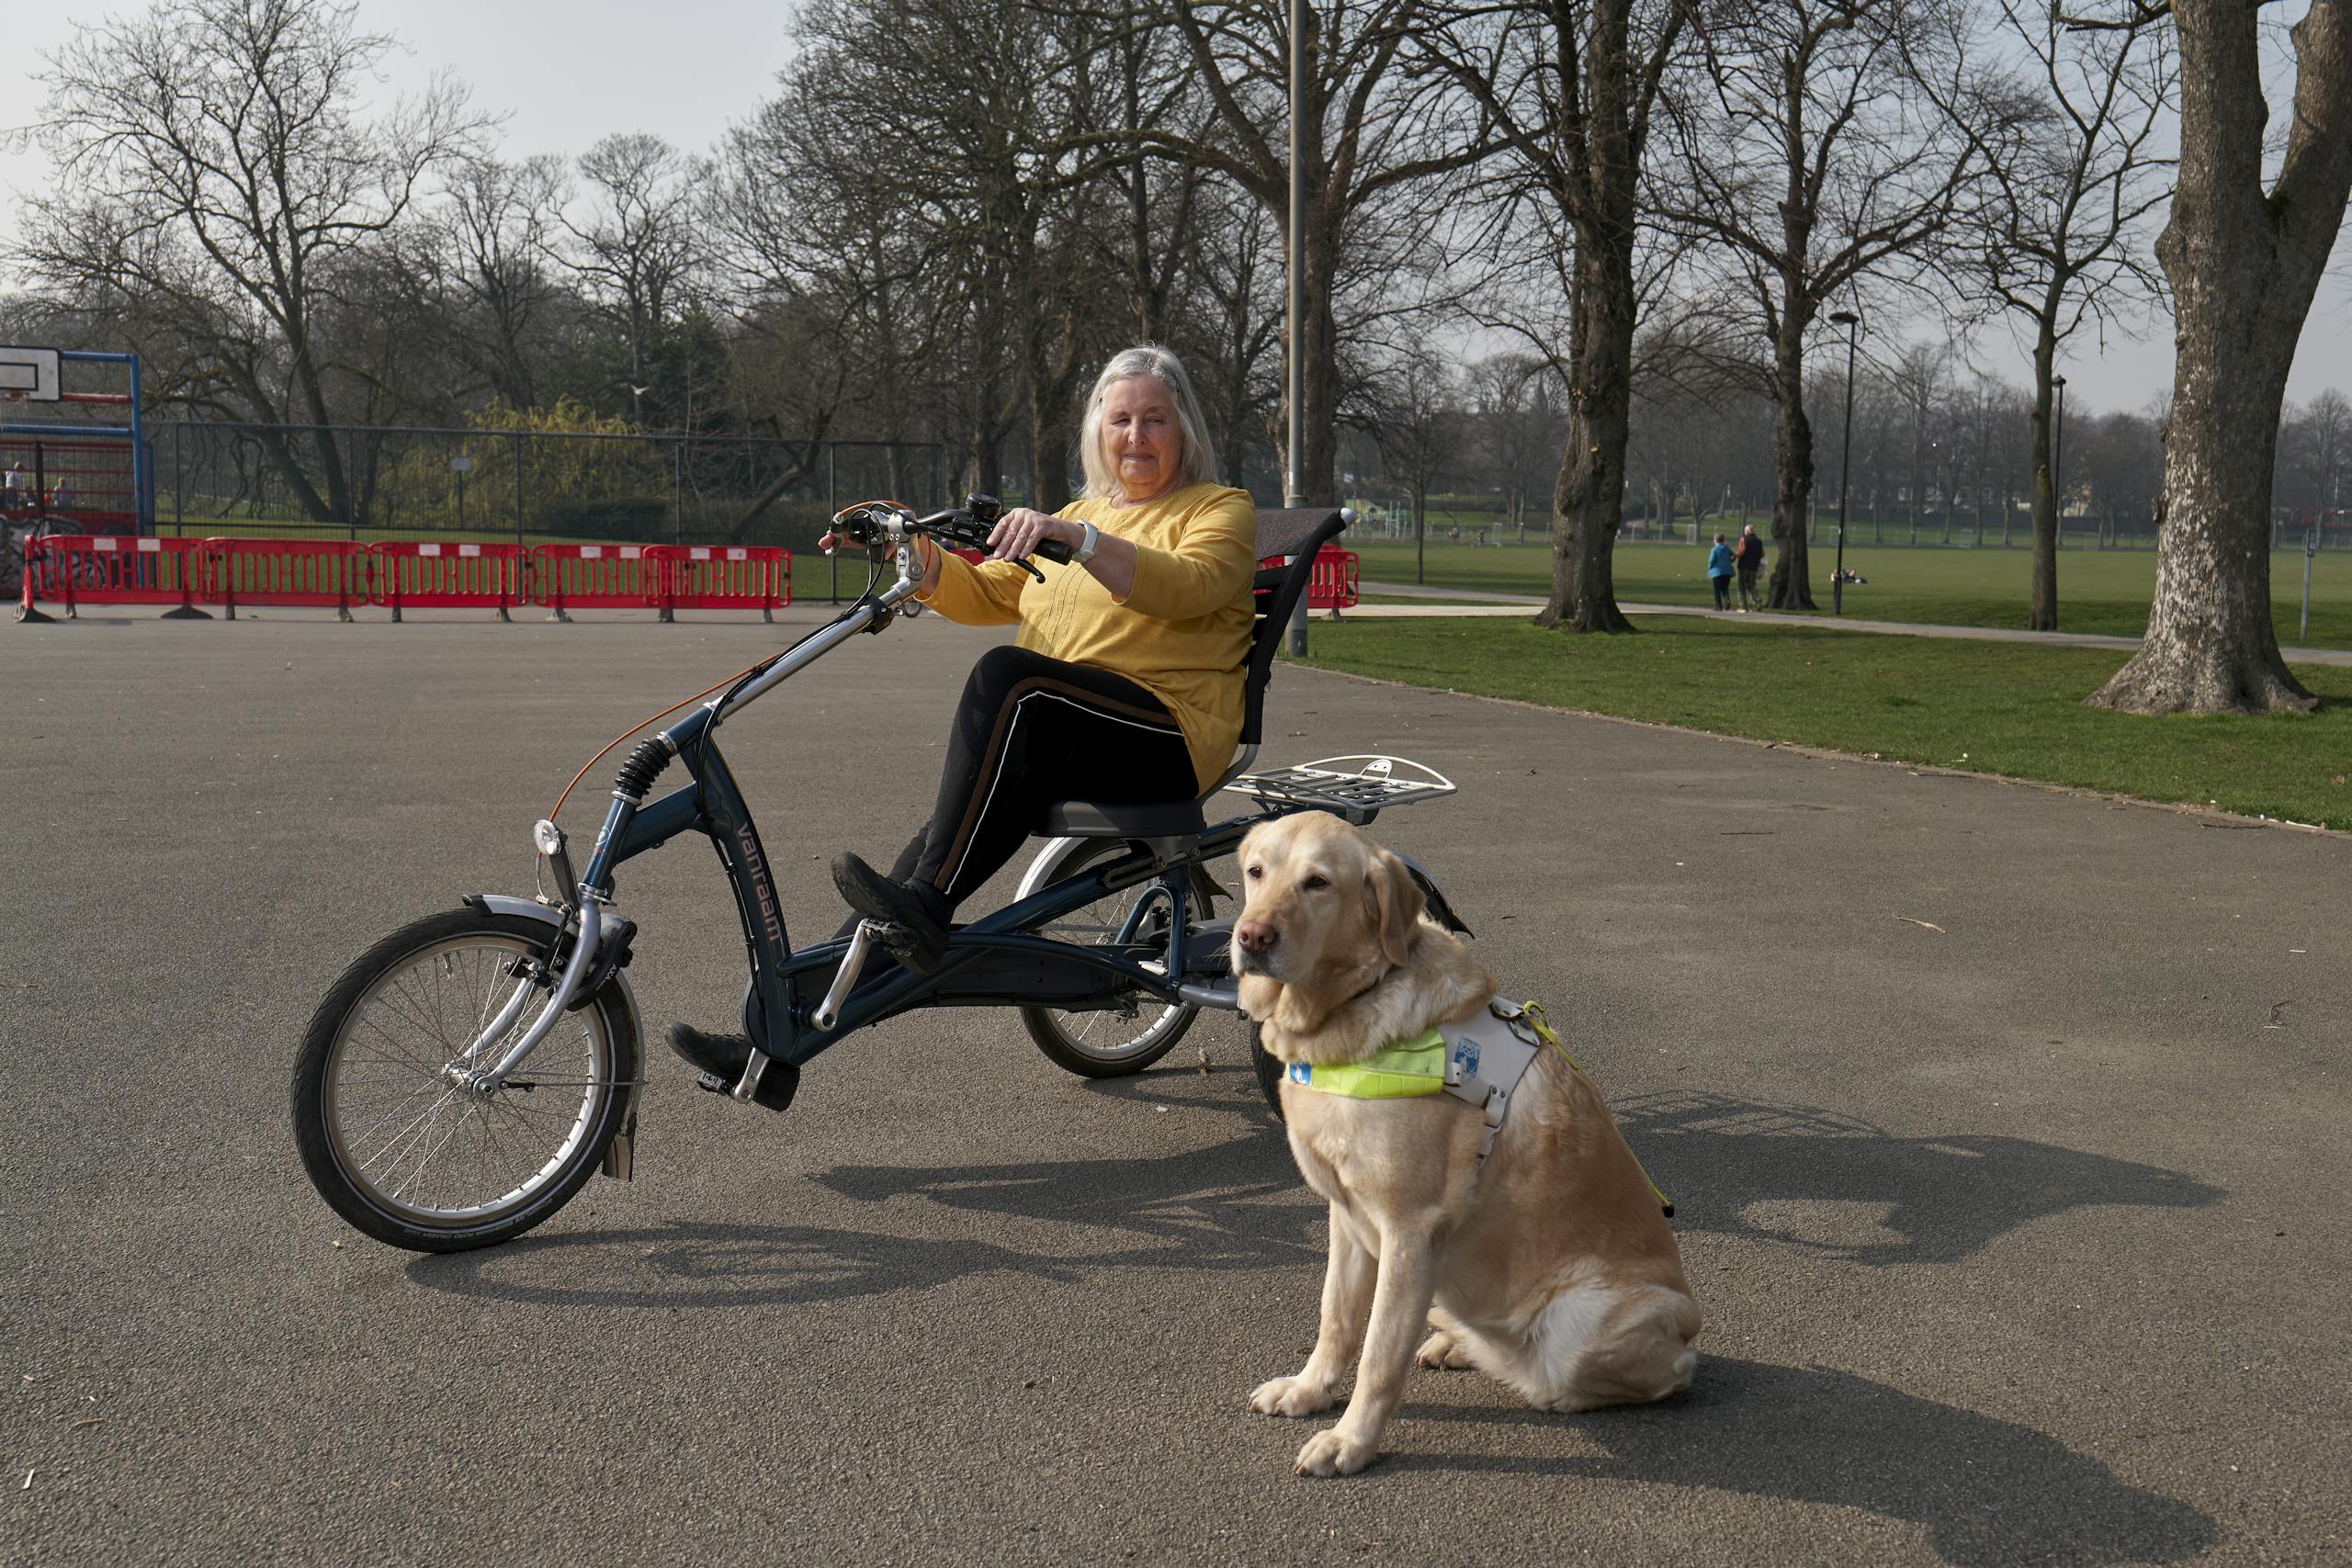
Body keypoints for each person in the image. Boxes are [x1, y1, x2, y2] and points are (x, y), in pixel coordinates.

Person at [669, 344, 1259, 1078]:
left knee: (1009, 682)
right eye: (1121, 420)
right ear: (1098, 433)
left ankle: (918, 909)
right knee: (930, 852)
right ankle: (776, 1039)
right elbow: (990, 592)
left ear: (1186, 431)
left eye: (1154, 420)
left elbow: (1186, 587)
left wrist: (1083, 540)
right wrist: (911, 547)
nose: (1135, 436)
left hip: (1164, 734)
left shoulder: (1218, 510)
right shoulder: (1081, 512)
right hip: (1063, 729)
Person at [1735, 523, 1765, 611]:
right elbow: (1762, 554)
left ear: (1747, 531)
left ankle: (1743, 606)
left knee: (1741, 586)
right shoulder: (1759, 541)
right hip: (1754, 567)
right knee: (1751, 585)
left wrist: (1734, 555)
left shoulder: (1743, 539)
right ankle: (1758, 601)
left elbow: (1741, 552)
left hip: (1743, 566)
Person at [1706, 532, 1735, 611]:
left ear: (1715, 540)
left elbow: (1712, 561)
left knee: (1717, 589)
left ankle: (1719, 606)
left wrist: (1710, 568)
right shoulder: (1727, 548)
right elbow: (1733, 555)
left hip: (1717, 572)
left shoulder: (1714, 549)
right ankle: (1727, 599)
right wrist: (1730, 561)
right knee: (1725, 588)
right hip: (1727, 571)